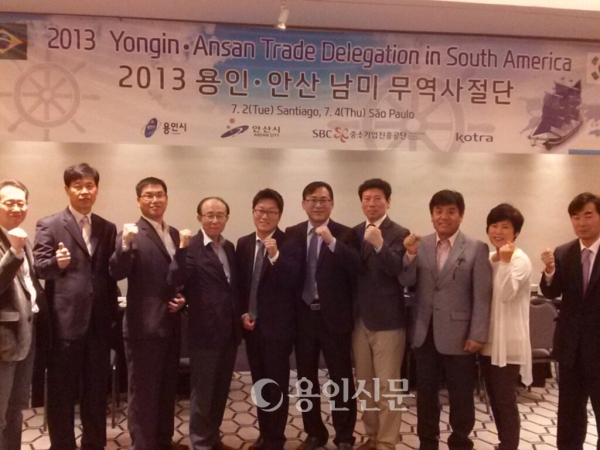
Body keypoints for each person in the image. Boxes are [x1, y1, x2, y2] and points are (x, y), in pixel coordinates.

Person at [33, 163, 118, 450]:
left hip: (98, 324)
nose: (84, 191)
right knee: (61, 394)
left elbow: (108, 274)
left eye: (89, 185)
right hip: (65, 324)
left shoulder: (107, 227)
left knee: (96, 392)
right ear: (67, 189)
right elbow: (40, 268)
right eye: (78, 186)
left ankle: (94, 444)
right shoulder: (50, 224)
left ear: (97, 189)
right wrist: (57, 263)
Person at [399, 189, 492, 450]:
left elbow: (482, 296)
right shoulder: (420, 244)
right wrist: (410, 255)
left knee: (461, 395)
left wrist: (477, 334)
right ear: (431, 216)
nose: (444, 216)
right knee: (426, 395)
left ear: (461, 215)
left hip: (460, 335)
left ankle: (460, 441)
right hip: (424, 332)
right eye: (438, 211)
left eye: (451, 211)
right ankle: (428, 442)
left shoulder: (476, 248)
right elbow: (406, 281)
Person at [109, 177, 188, 450]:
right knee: (143, 393)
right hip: (143, 328)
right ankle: (143, 445)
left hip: (171, 324)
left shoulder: (174, 234)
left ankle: (163, 441)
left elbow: (176, 277)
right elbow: (117, 272)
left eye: (160, 194)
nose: (155, 200)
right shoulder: (131, 233)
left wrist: (183, 297)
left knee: (167, 390)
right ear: (138, 200)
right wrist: (124, 245)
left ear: (167, 198)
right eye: (148, 195)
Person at [285, 181, 360, 450]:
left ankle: (344, 436)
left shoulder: (346, 233)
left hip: (334, 318)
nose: (318, 204)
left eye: (323, 200)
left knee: (341, 378)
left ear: (332, 203)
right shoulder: (292, 233)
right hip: (303, 317)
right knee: (306, 378)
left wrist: (331, 242)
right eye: (312, 199)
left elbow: (356, 267)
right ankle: (314, 432)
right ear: (304, 203)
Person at [170, 197, 240, 450]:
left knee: (220, 391)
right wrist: (182, 297)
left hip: (230, 331)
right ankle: (201, 443)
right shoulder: (191, 247)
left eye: (220, 215)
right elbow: (177, 278)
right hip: (204, 331)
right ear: (199, 217)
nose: (215, 220)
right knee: (203, 392)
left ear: (227, 218)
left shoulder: (229, 247)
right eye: (209, 215)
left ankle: (213, 439)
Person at [236, 188, 301, 450]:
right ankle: (264, 434)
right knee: (260, 384)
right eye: (260, 211)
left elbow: (292, 281)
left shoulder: (290, 243)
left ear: (279, 215)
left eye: (271, 212)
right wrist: (243, 313)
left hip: (278, 329)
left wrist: (275, 256)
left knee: (276, 384)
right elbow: (241, 286)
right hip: (252, 327)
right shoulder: (243, 243)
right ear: (253, 213)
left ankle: (276, 438)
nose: (265, 216)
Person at [351, 179, 410, 450]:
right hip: (359, 320)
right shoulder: (354, 232)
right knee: (365, 384)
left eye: (377, 198)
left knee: (388, 386)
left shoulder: (398, 232)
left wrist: (379, 245)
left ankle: (386, 443)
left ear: (388, 202)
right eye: (367, 199)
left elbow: (397, 269)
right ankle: (372, 436)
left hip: (388, 321)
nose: (372, 204)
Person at [540, 192, 600, 449]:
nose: (581, 223)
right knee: (570, 415)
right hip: (571, 349)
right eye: (575, 217)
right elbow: (551, 292)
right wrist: (549, 271)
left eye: (588, 215)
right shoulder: (564, 252)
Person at [0, 180, 49, 450]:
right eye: (9, 202)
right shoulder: (16, 242)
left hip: (25, 336)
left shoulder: (22, 237)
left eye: (21, 202)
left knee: (16, 409)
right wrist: (14, 251)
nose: (16, 208)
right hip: (3, 341)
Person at [480, 204, 532, 450]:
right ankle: (504, 443)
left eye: (505, 227)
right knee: (495, 397)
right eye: (494, 226)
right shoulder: (492, 258)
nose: (498, 232)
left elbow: (505, 294)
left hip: (507, 342)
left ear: (516, 232)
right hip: (489, 339)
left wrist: (506, 262)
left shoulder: (519, 259)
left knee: (504, 399)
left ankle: (509, 445)